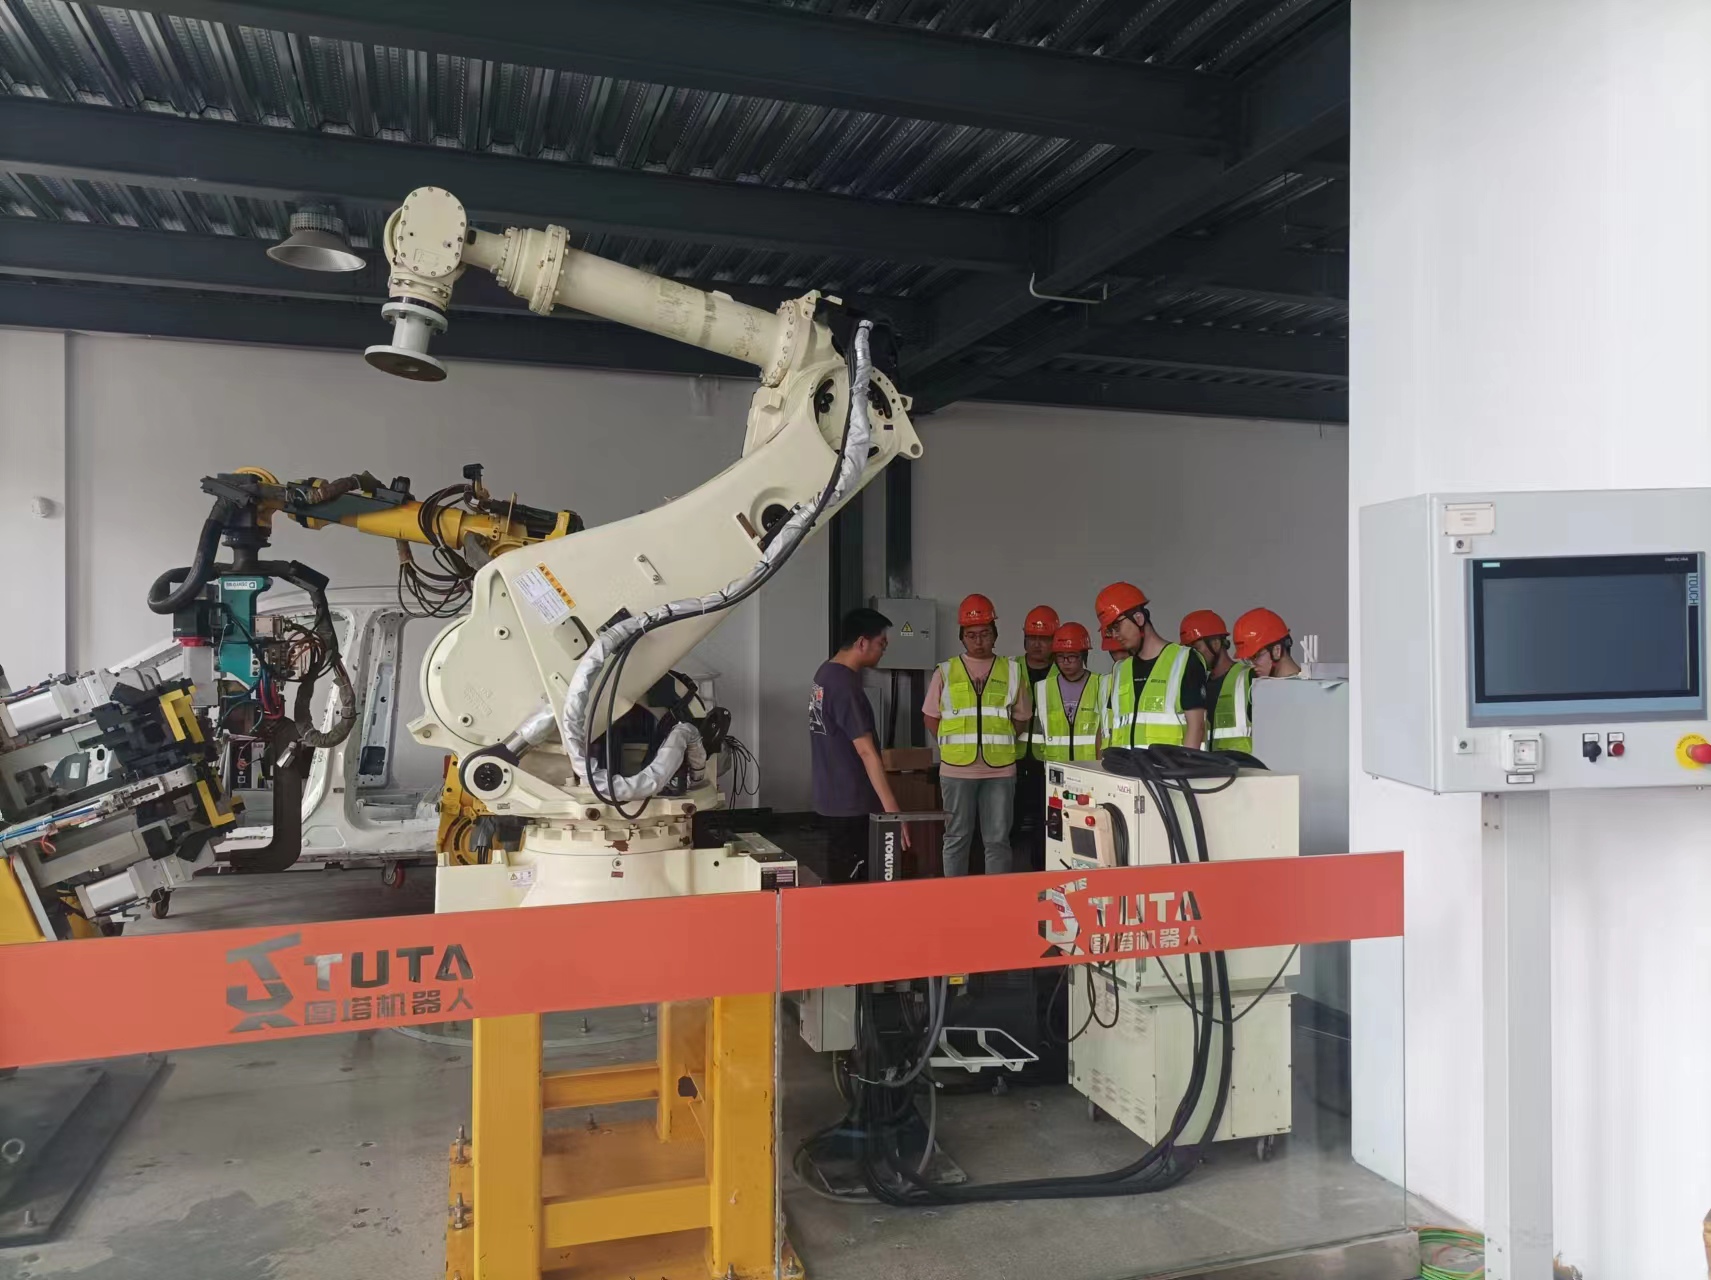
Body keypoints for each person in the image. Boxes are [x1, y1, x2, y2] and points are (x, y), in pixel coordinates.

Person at [923, 593, 1031, 877]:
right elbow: (931, 717)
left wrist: (1001, 740)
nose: (979, 641)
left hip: (1000, 770)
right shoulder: (946, 671)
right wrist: (951, 745)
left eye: (985, 634)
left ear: (995, 634)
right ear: (962, 637)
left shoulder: (1012, 671)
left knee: (997, 840)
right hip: (956, 770)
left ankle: (996, 896)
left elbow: (1021, 717)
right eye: (971, 635)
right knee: (956, 837)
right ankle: (955, 896)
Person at [810, 607, 906, 883]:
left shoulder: (825, 673)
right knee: (854, 882)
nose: (883, 650)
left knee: (841, 877)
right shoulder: (844, 685)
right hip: (852, 802)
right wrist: (893, 811)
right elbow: (866, 751)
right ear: (862, 642)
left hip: (832, 796)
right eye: (881, 644)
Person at [1095, 582, 1208, 750]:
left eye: (1116, 626)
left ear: (1138, 618)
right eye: (1110, 630)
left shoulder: (1184, 661)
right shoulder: (1120, 670)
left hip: (1168, 767)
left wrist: (1182, 767)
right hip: (1126, 767)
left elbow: (1197, 728)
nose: (1115, 635)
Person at [1013, 604, 1060, 871]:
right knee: (1010, 827)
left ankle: (1041, 877)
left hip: (1049, 764)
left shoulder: (1063, 673)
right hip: (1013, 761)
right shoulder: (1010, 669)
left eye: (1044, 639)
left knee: (1047, 828)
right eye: (1032, 638)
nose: (1037, 644)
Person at [1032, 622, 1106, 763]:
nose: (1066, 662)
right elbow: (1038, 733)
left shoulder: (1101, 684)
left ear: (1083, 656)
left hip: (1090, 766)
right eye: (1060, 657)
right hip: (1056, 766)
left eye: (1072, 656)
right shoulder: (1042, 688)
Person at [1180, 609, 1252, 755]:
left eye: (1196, 648)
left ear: (1216, 644)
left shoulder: (1248, 677)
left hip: (1245, 767)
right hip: (1210, 768)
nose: (1192, 656)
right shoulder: (1196, 685)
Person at [1233, 607, 1303, 679]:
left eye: (1255, 656)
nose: (1252, 665)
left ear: (1277, 651)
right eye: (1248, 660)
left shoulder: (1303, 685)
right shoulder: (1264, 684)